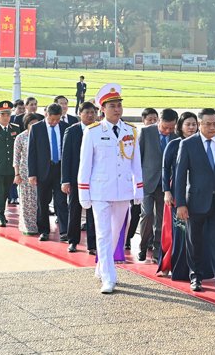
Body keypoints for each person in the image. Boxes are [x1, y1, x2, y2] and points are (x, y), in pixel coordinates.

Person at [77, 83, 143, 294]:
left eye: (119, 105)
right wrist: (83, 192)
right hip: (100, 190)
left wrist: (138, 188)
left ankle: (101, 267)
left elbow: (136, 163)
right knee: (104, 234)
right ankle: (109, 277)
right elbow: (85, 164)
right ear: (102, 109)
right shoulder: (93, 131)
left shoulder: (130, 131)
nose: (117, 109)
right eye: (112, 105)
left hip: (122, 191)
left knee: (116, 235)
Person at [174, 108, 215, 294]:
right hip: (195, 202)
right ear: (200, 124)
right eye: (208, 124)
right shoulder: (188, 144)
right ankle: (196, 277)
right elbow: (179, 176)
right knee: (194, 241)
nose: (212, 128)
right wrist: (180, 204)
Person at [161, 112, 212, 281]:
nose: (191, 127)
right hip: (178, 195)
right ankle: (180, 269)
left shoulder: (202, 144)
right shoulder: (174, 144)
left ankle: (200, 269)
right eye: (187, 124)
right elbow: (165, 168)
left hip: (197, 196)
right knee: (181, 233)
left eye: (193, 124)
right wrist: (167, 191)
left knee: (199, 234)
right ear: (180, 126)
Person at [136, 108, 178, 263]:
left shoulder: (176, 136)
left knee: (161, 219)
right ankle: (142, 246)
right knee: (147, 215)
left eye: (171, 128)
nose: (167, 131)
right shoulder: (146, 133)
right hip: (147, 182)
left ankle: (157, 250)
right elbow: (138, 157)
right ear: (159, 121)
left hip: (165, 185)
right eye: (164, 127)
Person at [28, 103, 70, 241]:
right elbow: (32, 152)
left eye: (57, 119)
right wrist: (32, 174)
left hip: (60, 170)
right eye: (52, 119)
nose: (55, 122)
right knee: (43, 202)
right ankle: (44, 230)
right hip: (43, 171)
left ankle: (64, 231)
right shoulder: (37, 128)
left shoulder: (65, 128)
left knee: (61, 201)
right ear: (47, 115)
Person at [61, 101, 98, 254]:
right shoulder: (72, 131)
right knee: (74, 209)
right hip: (77, 178)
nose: (90, 115)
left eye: (92, 113)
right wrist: (65, 180)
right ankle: (73, 241)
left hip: (95, 178)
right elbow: (66, 157)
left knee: (93, 212)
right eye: (87, 112)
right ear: (80, 114)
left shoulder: (98, 130)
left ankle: (92, 244)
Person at [13, 112, 43, 235]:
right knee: (26, 201)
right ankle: (28, 226)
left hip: (40, 173)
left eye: (36, 123)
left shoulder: (42, 136)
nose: (34, 125)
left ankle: (40, 224)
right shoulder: (21, 137)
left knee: (39, 201)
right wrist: (17, 174)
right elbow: (16, 157)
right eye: (31, 123)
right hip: (24, 174)